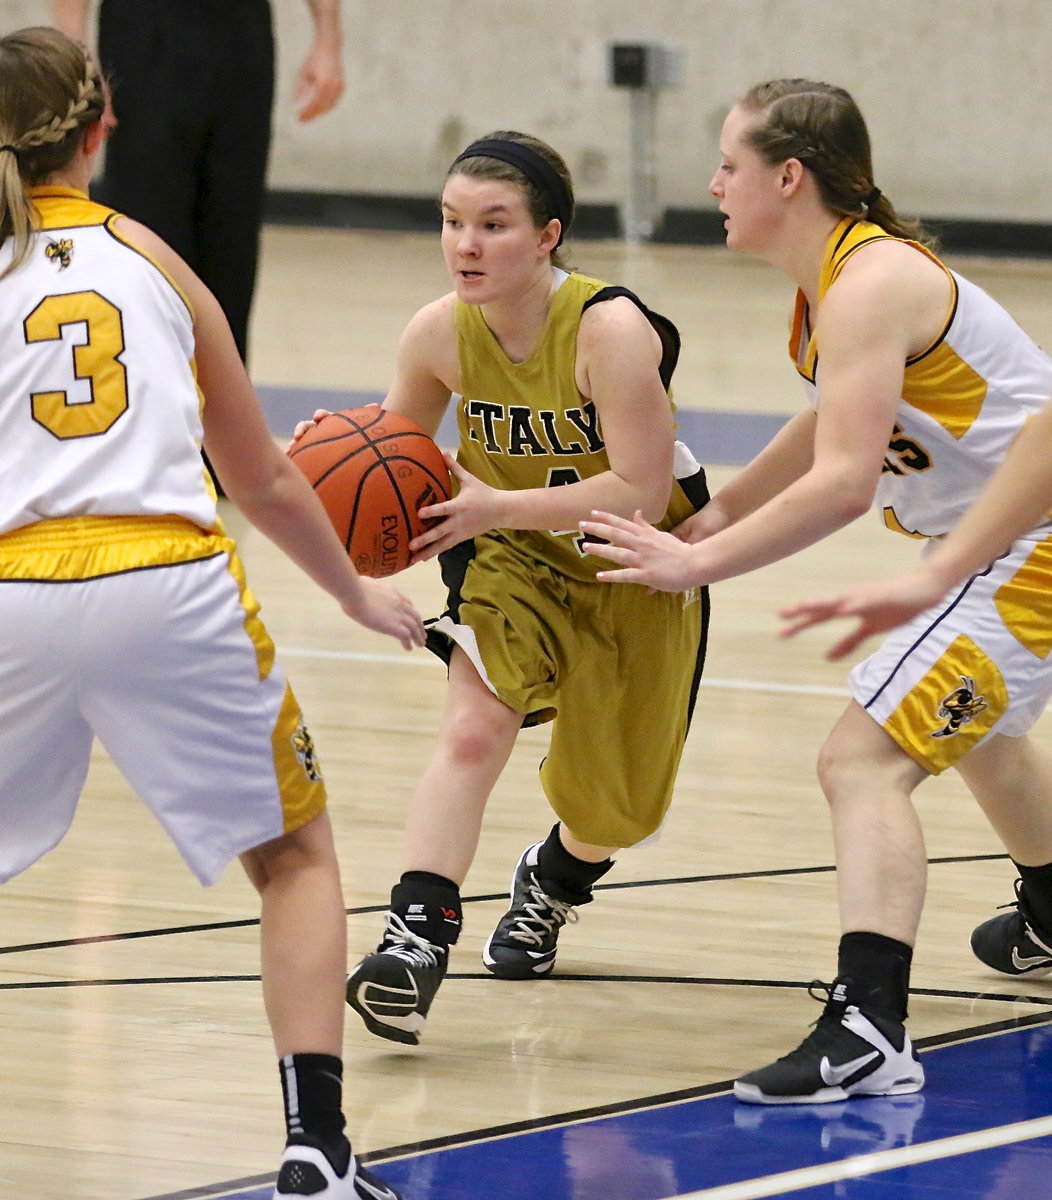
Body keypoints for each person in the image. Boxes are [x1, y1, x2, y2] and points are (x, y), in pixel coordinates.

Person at [0, 27, 420, 1199]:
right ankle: (314, 1151)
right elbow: (265, 476)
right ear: (102, 129)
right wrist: (351, 591)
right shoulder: (152, 258)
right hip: (168, 583)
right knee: (293, 860)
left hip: (12, 594)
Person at [580, 78, 1052, 1105]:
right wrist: (718, 513)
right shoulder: (832, 291)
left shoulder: (869, 282)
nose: (711, 183)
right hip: (991, 540)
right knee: (972, 728)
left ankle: (868, 1028)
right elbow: (825, 426)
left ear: (786, 176)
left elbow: (843, 482)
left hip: (1030, 542)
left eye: (727, 164)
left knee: (862, 759)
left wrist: (695, 562)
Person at [298, 130, 710, 1046]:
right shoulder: (438, 330)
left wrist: (491, 507)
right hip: (512, 561)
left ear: (548, 236)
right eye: (451, 223)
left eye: (493, 225)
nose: (466, 245)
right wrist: (327, 463)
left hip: (637, 562)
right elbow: (394, 468)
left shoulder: (610, 330)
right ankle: (413, 936)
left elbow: (641, 490)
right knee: (475, 726)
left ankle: (555, 879)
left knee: (619, 810)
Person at [49, 0, 344, 361]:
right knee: (146, 246)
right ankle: (141, 393)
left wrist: (328, 41)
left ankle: (223, 408)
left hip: (240, 35)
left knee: (230, 245)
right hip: (142, 34)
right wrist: (76, 59)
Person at [778, 400, 1052, 659]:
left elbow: (846, 490)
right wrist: (734, 504)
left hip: (1022, 541)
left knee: (888, 707)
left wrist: (935, 578)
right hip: (992, 539)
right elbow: (829, 413)